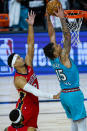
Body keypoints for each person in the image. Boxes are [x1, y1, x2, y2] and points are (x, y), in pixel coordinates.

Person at [7, 11, 60, 131]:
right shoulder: (18, 79)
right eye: (19, 58)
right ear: (15, 64)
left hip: (34, 105)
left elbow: (30, 44)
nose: (22, 57)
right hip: (24, 109)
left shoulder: (28, 64)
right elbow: (35, 92)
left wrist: (31, 25)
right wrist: (53, 96)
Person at [43, 5, 87, 131]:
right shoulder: (63, 56)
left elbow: (51, 34)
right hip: (73, 94)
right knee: (82, 125)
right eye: (57, 46)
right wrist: (62, 19)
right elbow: (67, 36)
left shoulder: (53, 59)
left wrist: (48, 19)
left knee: (74, 123)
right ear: (56, 53)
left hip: (64, 96)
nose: (58, 45)